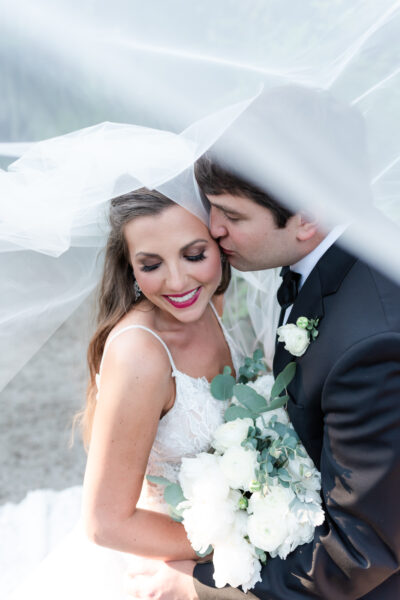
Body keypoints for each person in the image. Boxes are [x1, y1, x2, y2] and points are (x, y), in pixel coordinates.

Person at [124, 154, 400, 598]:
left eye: (231, 214)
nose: (212, 228)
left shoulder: (371, 343)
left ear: (307, 217)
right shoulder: (333, 261)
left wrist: (199, 587)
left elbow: (362, 549)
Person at [8, 186, 243, 599]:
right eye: (151, 264)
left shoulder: (211, 299)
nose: (177, 281)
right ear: (130, 267)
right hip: (166, 564)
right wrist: (236, 538)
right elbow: (105, 523)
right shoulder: (141, 356)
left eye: (194, 255)